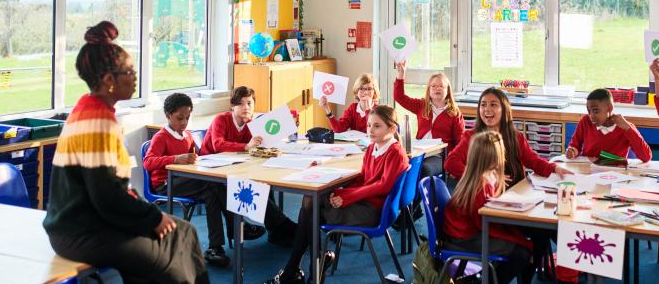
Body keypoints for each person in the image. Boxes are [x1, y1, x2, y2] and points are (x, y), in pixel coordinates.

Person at [43, 21, 209, 284]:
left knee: (185, 232)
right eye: (130, 72)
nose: (135, 77)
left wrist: (148, 214)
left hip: (91, 223)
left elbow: (112, 187)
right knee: (175, 262)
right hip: (82, 231)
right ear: (109, 81)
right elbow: (107, 195)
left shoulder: (94, 110)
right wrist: (152, 216)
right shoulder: (96, 121)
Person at [265, 105, 409, 284]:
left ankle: (298, 270)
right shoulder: (372, 148)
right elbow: (363, 178)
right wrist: (341, 192)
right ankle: (308, 266)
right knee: (311, 202)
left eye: (377, 126)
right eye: (369, 125)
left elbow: (383, 186)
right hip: (363, 201)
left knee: (310, 212)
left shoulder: (395, 152)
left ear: (392, 129)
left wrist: (347, 197)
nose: (370, 130)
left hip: (373, 211)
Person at [199, 86, 297, 245]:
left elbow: (256, 146)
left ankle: (276, 229)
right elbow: (218, 145)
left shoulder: (251, 123)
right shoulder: (221, 119)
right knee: (250, 186)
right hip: (212, 167)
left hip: (236, 165)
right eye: (241, 104)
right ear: (232, 105)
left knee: (263, 181)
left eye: (250, 103)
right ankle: (282, 225)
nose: (246, 108)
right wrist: (245, 146)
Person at [142, 93, 230, 267]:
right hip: (165, 184)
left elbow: (193, 158)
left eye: (188, 117)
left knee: (214, 190)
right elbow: (148, 162)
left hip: (186, 180)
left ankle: (216, 247)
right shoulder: (161, 137)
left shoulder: (187, 135)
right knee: (212, 187)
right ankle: (234, 229)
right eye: (179, 118)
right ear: (168, 116)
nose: (184, 122)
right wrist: (176, 158)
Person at [444, 131, 534, 284]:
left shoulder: (481, 176)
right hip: (463, 238)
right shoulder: (480, 186)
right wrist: (520, 240)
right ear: (495, 157)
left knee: (521, 246)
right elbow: (486, 226)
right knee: (521, 253)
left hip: (467, 231)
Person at [445, 87, 571, 185]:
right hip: (486, 192)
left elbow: (534, 162)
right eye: (483, 105)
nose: (487, 109)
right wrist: (482, 176)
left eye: (493, 104)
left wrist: (554, 168)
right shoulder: (472, 136)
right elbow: (450, 163)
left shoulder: (515, 137)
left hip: (514, 191)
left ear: (504, 109)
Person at [393, 60, 464, 179]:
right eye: (434, 86)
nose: (437, 89)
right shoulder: (421, 105)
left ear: (447, 91)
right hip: (418, 153)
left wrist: (454, 162)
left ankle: (417, 197)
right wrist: (401, 76)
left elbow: (460, 142)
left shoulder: (454, 113)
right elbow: (399, 97)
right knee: (397, 164)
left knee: (423, 169)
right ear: (429, 89)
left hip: (440, 156)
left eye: (441, 86)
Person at [565, 88, 652, 162]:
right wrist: (573, 151)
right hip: (588, 171)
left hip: (614, 174)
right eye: (589, 111)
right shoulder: (585, 121)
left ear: (609, 108)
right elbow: (575, 145)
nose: (591, 116)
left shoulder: (625, 127)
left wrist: (628, 128)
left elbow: (646, 157)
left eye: (595, 110)